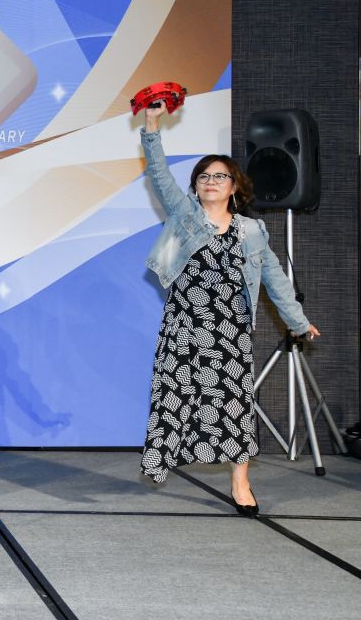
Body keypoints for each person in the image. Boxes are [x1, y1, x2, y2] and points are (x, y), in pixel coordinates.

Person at [139, 104, 319, 515]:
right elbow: (159, 173)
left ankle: (241, 483)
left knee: (234, 404)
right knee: (175, 398)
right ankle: (164, 457)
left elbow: (274, 279)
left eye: (220, 176)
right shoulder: (185, 218)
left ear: (235, 186)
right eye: (204, 176)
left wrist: (298, 321)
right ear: (195, 187)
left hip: (230, 331)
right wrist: (151, 125)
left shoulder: (252, 231)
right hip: (185, 328)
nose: (211, 181)